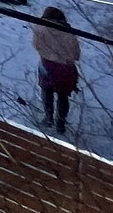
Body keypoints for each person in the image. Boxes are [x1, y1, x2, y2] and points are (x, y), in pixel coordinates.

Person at [31, 7, 82, 135]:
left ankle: (48, 118)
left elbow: (36, 46)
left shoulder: (40, 29)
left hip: (47, 65)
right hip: (66, 69)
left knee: (47, 91)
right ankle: (61, 124)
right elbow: (76, 55)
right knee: (63, 96)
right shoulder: (69, 33)